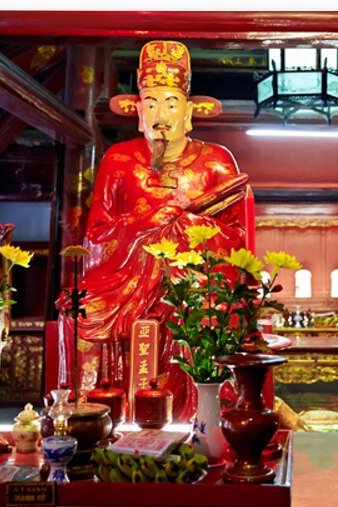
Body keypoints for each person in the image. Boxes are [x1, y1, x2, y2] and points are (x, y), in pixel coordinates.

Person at [56, 40, 250, 421]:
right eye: (151, 103)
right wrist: (148, 225)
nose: (161, 115)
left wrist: (185, 227)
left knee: (208, 311)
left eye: (172, 103)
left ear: (189, 113)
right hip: (125, 282)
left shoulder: (216, 163)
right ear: (139, 113)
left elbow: (237, 241)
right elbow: (96, 237)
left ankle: (203, 415)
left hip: (193, 281)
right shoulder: (118, 160)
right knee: (80, 313)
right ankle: (98, 413)